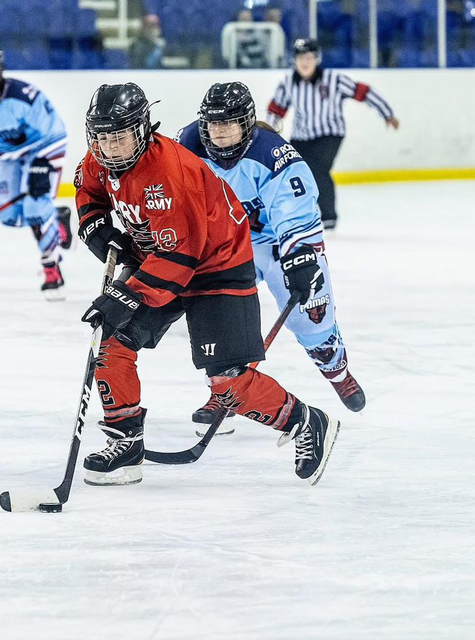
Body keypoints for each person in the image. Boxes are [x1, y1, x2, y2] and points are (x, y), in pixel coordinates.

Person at [75, 82, 341, 487]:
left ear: (143, 130)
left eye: (121, 137)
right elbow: (88, 190)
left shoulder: (168, 174)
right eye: (103, 138)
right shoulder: (101, 156)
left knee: (228, 380)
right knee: (110, 342)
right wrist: (96, 228)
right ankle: (125, 443)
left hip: (217, 265)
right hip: (162, 258)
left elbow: (179, 258)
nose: (111, 148)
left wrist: (125, 295)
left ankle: (307, 422)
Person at [176, 81, 365, 436]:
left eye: (229, 123)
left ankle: (336, 370)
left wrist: (299, 257)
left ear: (246, 123)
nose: (220, 132)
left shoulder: (273, 154)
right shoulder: (186, 146)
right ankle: (226, 390)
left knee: (312, 315)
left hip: (275, 243)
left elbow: (294, 212)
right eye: (214, 124)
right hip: (226, 245)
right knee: (218, 315)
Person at [0, 40, 72, 300]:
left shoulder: (24, 96)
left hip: (43, 149)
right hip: (6, 155)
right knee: (8, 215)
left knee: (36, 207)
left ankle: (52, 268)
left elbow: (55, 131)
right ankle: (56, 219)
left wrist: (43, 164)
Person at [267, 38, 399, 229]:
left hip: (330, 134)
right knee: (291, 171)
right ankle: (297, 213)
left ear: (317, 59)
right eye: (301, 57)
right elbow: (276, 111)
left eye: (309, 57)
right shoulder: (288, 83)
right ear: (294, 60)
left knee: (318, 169)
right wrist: (267, 137)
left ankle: (329, 216)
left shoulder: (334, 79)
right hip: (301, 136)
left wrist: (387, 113)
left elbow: (363, 92)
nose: (305, 62)